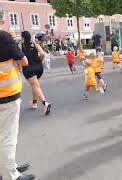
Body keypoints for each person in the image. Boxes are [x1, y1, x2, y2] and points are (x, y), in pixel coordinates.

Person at [0, 8, 35, 180]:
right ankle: (10, 175)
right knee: (7, 137)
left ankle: (7, 167)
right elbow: (24, 61)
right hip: (6, 95)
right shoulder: (4, 37)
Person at [21, 31, 51, 115]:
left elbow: (19, 57)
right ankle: (34, 103)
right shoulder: (35, 44)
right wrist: (39, 60)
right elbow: (42, 53)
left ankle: (45, 103)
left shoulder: (21, 46)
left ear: (23, 38)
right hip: (38, 67)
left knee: (35, 86)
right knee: (35, 85)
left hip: (29, 68)